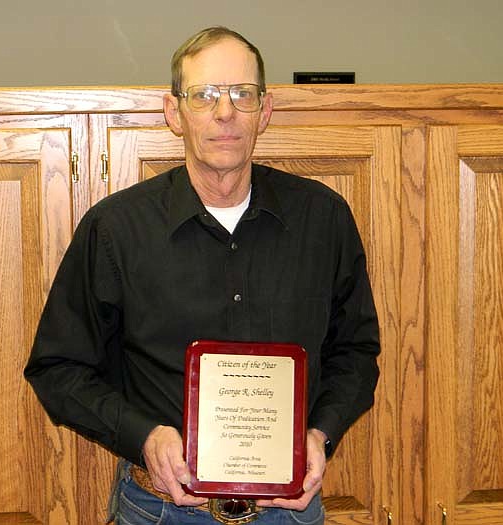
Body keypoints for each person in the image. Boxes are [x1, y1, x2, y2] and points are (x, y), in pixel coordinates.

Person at [24, 26, 380, 525]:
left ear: (266, 110)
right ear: (174, 113)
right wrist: (144, 436)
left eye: (243, 94)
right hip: (159, 510)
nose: (225, 111)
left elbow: (356, 353)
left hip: (289, 511)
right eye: (204, 95)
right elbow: (57, 369)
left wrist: (320, 434)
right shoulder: (115, 229)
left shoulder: (324, 220)